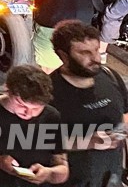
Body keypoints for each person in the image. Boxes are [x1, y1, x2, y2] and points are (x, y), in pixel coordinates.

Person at [0, 64, 68, 186]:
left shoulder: (51, 116)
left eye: (36, 108)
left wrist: (49, 173)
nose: (28, 113)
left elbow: (62, 168)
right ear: (7, 90)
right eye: (21, 105)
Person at [47, 20, 128, 187]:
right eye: (85, 53)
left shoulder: (110, 75)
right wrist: (88, 141)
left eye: (97, 50)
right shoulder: (48, 92)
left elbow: (125, 114)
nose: (96, 58)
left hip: (111, 178)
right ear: (63, 55)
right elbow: (34, 139)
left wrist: (120, 134)